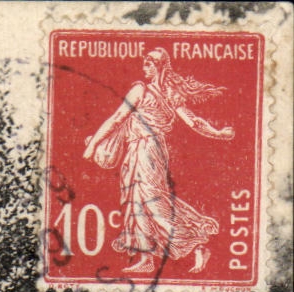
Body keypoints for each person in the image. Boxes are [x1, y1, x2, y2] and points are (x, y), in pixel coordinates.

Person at [82, 47, 234, 275]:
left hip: (145, 149)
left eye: (148, 63)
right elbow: (195, 122)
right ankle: (146, 258)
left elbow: (116, 119)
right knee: (137, 200)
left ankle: (195, 244)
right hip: (145, 149)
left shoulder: (140, 90)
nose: (144, 67)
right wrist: (218, 133)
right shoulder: (169, 93)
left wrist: (93, 144)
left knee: (151, 200)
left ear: (158, 66)